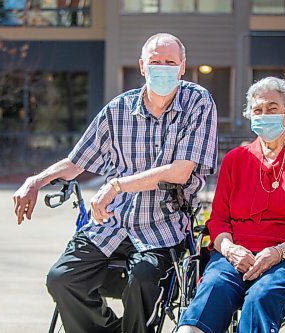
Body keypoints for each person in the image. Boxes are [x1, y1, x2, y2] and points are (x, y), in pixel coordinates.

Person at [12, 33, 217, 333]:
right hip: (110, 221)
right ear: (142, 66)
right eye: (155, 62)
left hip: (162, 224)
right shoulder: (118, 109)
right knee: (61, 279)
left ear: (183, 67)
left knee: (142, 280)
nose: (163, 68)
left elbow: (180, 172)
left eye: (170, 62)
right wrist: (36, 180)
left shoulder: (198, 102)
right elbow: (76, 162)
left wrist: (118, 185)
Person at [177, 77, 285, 333]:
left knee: (262, 295)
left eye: (272, 109)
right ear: (250, 116)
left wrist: (279, 252)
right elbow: (218, 219)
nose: (264, 115)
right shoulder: (235, 160)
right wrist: (229, 249)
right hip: (235, 253)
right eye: (257, 110)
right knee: (214, 287)